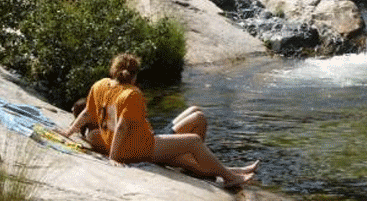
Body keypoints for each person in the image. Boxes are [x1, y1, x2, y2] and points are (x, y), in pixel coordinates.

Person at [61, 53, 258, 188]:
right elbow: (121, 126)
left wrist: (68, 132)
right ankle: (230, 177)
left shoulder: (100, 86)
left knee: (186, 150)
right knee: (194, 141)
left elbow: (88, 113)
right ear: (135, 75)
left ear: (114, 71)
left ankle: (229, 172)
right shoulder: (132, 93)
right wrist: (114, 157)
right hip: (141, 147)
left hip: (135, 144)